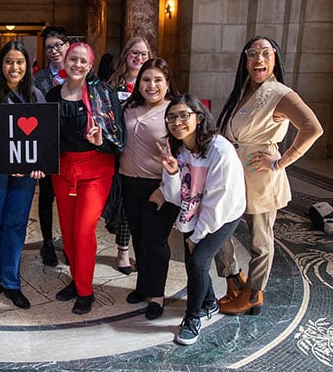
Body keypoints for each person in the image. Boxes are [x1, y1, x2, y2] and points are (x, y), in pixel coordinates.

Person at [215, 36, 323, 315]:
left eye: (265, 53)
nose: (258, 60)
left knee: (260, 241)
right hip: (233, 174)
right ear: (245, 60)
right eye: (252, 54)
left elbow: (313, 128)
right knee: (216, 227)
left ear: (275, 58)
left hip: (260, 175)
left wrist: (280, 162)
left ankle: (253, 293)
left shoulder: (279, 93)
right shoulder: (243, 91)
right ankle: (233, 276)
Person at [159, 94, 246, 345]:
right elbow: (175, 197)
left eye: (184, 115)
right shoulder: (176, 149)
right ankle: (208, 303)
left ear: (199, 117)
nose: (177, 122)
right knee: (193, 264)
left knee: (198, 262)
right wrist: (173, 172)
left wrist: (197, 236)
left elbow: (219, 202)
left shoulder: (220, 150)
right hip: (191, 210)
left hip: (224, 214)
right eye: (172, 117)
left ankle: (192, 317)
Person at [48, 42, 125, 315]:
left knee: (83, 230)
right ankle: (77, 279)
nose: (77, 65)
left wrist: (101, 140)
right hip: (63, 171)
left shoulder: (102, 94)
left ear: (90, 66)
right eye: (73, 59)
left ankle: (86, 291)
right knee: (67, 232)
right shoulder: (52, 94)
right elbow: (47, 137)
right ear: (65, 61)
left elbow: (119, 136)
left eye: (83, 61)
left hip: (95, 170)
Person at [0, 41, 46, 309]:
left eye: (20, 62)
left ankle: (11, 282)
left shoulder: (35, 95)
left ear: (28, 66)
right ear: (0, 64)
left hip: (26, 172)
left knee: (16, 223)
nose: (14, 67)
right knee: (0, 222)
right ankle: (3, 273)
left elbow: (41, 137)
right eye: (9, 62)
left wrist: (38, 163)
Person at [119, 58, 180, 320]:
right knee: (139, 237)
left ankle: (157, 294)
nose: (151, 85)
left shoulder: (174, 112)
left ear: (167, 84)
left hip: (159, 186)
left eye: (158, 80)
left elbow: (181, 156)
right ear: (138, 82)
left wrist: (164, 188)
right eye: (146, 79)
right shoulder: (128, 107)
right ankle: (143, 286)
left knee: (156, 242)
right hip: (129, 183)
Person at [106, 36, 153, 274]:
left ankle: (142, 251)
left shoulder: (152, 83)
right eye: (135, 53)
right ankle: (122, 251)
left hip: (146, 153)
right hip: (120, 152)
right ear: (126, 55)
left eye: (144, 54)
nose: (139, 58)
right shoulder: (114, 84)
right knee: (124, 203)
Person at [32, 25, 70, 267]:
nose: (54, 50)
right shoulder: (38, 79)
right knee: (46, 197)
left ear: (68, 45)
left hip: (72, 148)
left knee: (69, 199)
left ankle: (69, 241)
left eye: (58, 45)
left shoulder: (82, 74)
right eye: (49, 47)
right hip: (47, 147)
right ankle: (47, 242)